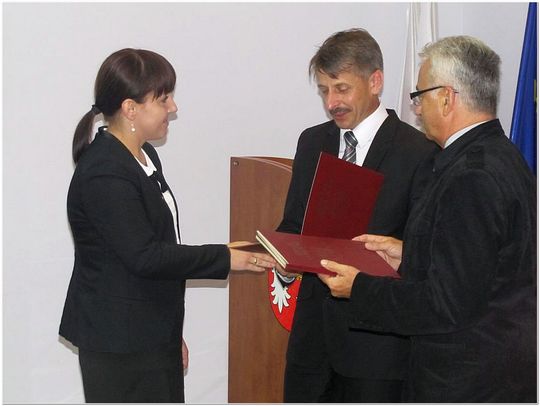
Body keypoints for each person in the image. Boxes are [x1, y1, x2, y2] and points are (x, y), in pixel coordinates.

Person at [318, 35, 537, 402]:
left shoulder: (472, 174)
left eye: (420, 96)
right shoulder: (500, 155)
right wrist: (409, 255)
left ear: (447, 98)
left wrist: (359, 288)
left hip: (467, 382)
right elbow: (482, 267)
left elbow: (445, 304)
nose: (416, 110)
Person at [58, 48, 276, 403]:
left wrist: (171, 332)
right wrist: (224, 257)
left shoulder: (144, 156)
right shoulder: (105, 171)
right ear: (130, 108)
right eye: (163, 99)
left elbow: (162, 246)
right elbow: (145, 256)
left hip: (151, 331)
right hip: (120, 343)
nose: (173, 108)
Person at [275, 28, 438, 402]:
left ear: (375, 81)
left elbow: (424, 250)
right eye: (324, 91)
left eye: (342, 89)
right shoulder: (312, 141)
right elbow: (293, 224)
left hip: (376, 349)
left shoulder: (418, 151)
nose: (332, 102)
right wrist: (281, 254)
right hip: (311, 343)